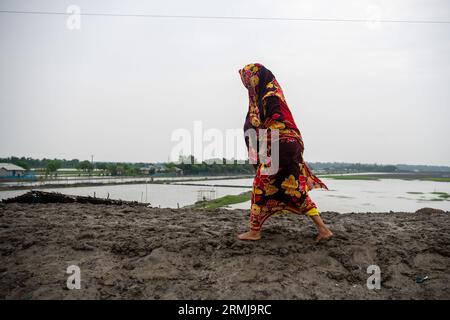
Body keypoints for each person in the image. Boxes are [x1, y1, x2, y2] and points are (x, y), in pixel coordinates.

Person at [237, 63, 333, 242]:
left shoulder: (270, 97)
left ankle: (255, 231)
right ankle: (323, 229)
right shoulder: (269, 96)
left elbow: (276, 124)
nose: (248, 85)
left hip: (280, 147)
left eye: (249, 80)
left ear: (257, 79)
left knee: (260, 187)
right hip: (285, 146)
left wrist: (263, 152)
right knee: (294, 188)